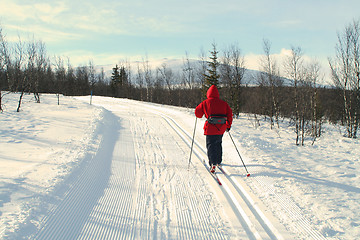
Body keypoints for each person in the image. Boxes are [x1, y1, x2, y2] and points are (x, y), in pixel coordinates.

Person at [195, 85, 233, 173]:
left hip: (210, 128)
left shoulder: (205, 102)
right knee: (218, 143)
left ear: (208, 93)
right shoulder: (224, 103)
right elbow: (229, 114)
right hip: (221, 128)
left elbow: (198, 113)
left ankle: (212, 163)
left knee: (211, 145)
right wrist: (228, 125)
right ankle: (218, 161)